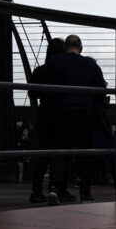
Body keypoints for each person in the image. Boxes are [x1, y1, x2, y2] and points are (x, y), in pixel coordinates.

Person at [46, 34, 108, 203]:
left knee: (60, 151)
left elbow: (46, 88)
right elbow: (101, 92)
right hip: (85, 112)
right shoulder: (90, 65)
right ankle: (85, 193)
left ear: (66, 47)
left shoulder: (55, 62)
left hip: (61, 111)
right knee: (84, 153)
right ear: (81, 48)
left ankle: (54, 188)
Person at [27, 37, 66, 203]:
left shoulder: (40, 70)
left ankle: (36, 190)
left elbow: (33, 94)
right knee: (61, 154)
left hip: (44, 114)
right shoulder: (63, 71)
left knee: (43, 154)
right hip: (62, 114)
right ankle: (55, 188)